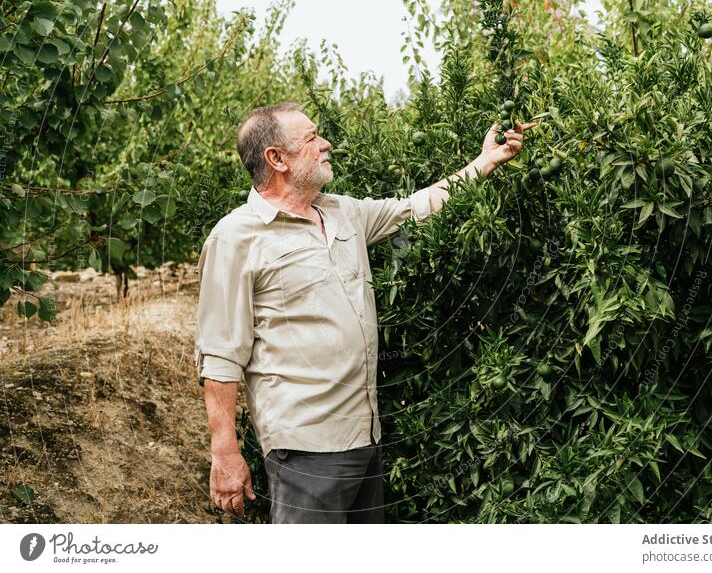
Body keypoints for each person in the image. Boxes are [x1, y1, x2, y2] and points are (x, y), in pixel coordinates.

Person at [195, 102, 535, 523]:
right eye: (312, 138)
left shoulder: (343, 212)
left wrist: (486, 160)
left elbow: (416, 206)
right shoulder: (237, 237)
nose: (325, 144)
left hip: (365, 435)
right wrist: (225, 452)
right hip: (305, 447)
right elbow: (221, 356)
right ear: (276, 159)